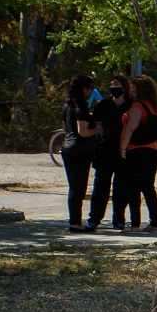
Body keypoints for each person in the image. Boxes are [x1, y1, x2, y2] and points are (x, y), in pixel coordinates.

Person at [118, 75, 157, 231]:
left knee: (134, 187)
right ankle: (154, 222)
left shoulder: (137, 106)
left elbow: (131, 127)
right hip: (152, 150)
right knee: (148, 187)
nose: (130, 90)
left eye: (132, 87)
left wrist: (123, 148)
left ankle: (135, 223)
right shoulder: (155, 107)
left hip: (136, 150)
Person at [86, 74, 132, 231]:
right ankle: (94, 218)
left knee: (121, 187)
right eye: (112, 84)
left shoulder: (131, 105)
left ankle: (119, 219)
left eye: (117, 84)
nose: (114, 87)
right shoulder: (104, 105)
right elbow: (95, 123)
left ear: (124, 88)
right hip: (105, 150)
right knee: (100, 186)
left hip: (123, 151)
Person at [62, 75, 101, 232]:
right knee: (79, 187)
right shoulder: (82, 107)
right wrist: (97, 129)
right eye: (89, 89)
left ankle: (74, 220)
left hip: (68, 148)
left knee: (73, 186)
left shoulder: (67, 106)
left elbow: (67, 127)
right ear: (85, 89)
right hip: (80, 150)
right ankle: (75, 222)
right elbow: (83, 132)